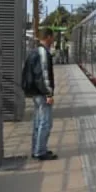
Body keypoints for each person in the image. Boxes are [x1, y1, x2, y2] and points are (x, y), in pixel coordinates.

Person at [21, 27, 58, 161]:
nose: (53, 39)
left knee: (38, 122)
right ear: (48, 37)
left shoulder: (34, 51)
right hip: (42, 94)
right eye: (52, 37)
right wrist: (49, 94)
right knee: (45, 123)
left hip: (36, 93)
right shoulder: (42, 53)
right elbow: (43, 75)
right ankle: (40, 151)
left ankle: (36, 149)